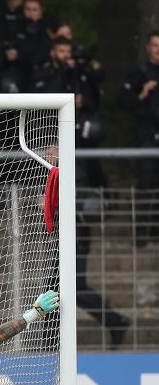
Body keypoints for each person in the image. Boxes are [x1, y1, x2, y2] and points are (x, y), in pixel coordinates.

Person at [44, 146, 130, 346]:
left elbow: (81, 203)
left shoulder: (74, 171)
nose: (48, 153)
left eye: (52, 149)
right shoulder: (54, 171)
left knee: (70, 287)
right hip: (64, 238)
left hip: (76, 237)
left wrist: (56, 210)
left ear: (60, 148)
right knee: (56, 287)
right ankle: (51, 341)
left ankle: (51, 342)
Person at [119, 32, 159, 246]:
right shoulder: (138, 74)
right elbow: (122, 101)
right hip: (145, 138)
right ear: (147, 48)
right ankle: (142, 235)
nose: (158, 50)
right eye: (155, 45)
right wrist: (141, 95)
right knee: (145, 185)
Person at [17, 0, 52, 73]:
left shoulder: (46, 30)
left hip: (38, 71)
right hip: (18, 70)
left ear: (41, 11)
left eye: (34, 10)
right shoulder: (16, 27)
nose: (30, 13)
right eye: (27, 9)